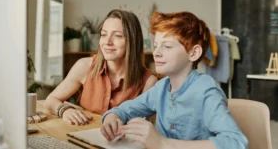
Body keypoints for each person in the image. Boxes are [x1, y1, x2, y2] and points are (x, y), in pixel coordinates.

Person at [101, 11, 248, 149]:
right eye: (156, 46)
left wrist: (164, 143)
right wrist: (112, 117)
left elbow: (236, 142)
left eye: (167, 46)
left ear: (194, 53)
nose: (156, 53)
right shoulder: (161, 88)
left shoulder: (206, 91)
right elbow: (125, 109)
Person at [45, 9, 158, 126]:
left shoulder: (148, 82)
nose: (107, 42)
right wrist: (64, 110)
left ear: (133, 41)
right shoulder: (84, 66)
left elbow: (142, 125)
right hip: (80, 136)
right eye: (103, 34)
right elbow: (51, 99)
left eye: (118, 36)